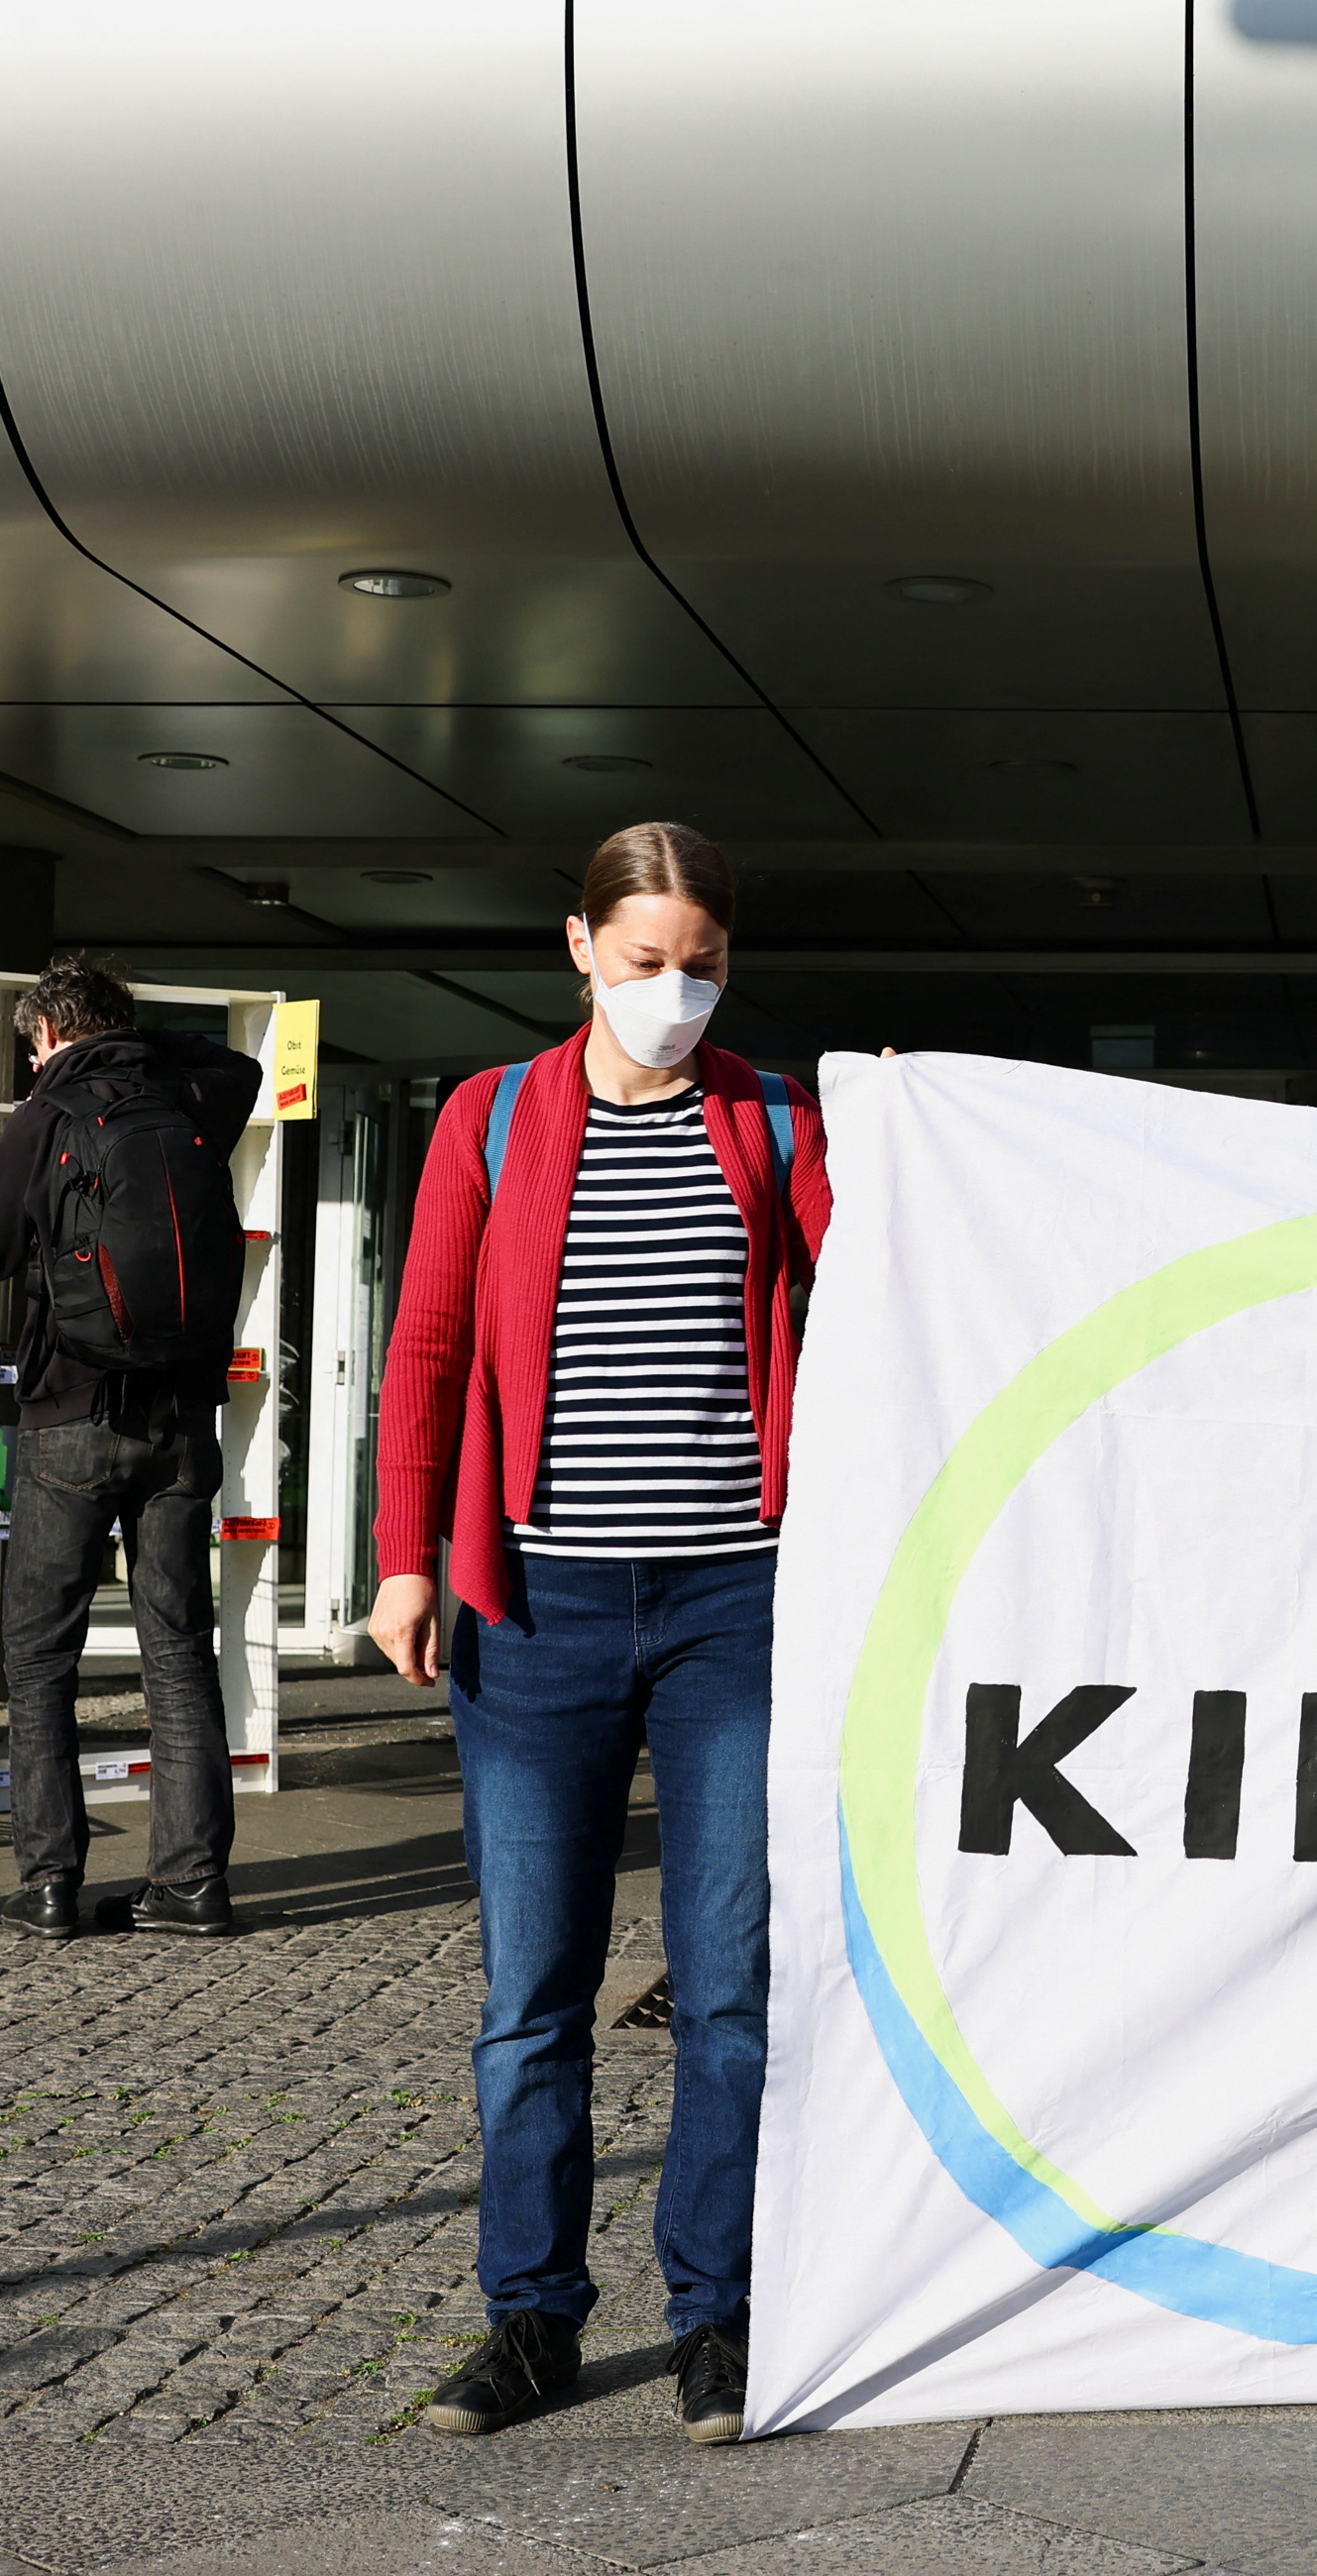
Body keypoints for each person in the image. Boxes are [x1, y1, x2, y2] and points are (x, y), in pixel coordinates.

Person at [371, 825, 832, 2443]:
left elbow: (888, 1289)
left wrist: (916, 1133)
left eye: (703, 962)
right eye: (645, 961)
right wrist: (404, 1558)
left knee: (726, 1989)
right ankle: (531, 2320)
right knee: (532, 1991)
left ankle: (718, 2314)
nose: (676, 992)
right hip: (536, 1603)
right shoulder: (490, 1121)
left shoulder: (775, 1117)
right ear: (578, 945)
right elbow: (424, 1347)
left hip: (734, 1600)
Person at [0, 953, 260, 1943]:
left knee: (41, 1653)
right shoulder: (191, 1096)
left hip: (70, 1416)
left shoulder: (51, 1109)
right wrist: (124, 1039)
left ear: (46, 1033)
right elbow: (237, 1064)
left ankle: (48, 1882)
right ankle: (193, 1883)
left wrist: (67, 1067)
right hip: (179, 1418)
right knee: (178, 1650)